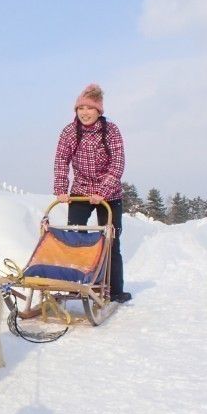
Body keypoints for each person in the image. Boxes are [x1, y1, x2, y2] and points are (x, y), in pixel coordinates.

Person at [53, 83, 132, 303]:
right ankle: (75, 284)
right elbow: (61, 160)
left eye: (89, 109)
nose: (85, 113)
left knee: (110, 240)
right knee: (75, 237)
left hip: (109, 194)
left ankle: (115, 290)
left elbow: (117, 163)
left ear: (99, 111)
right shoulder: (69, 132)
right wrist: (61, 189)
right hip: (80, 192)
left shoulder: (111, 131)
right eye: (81, 109)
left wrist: (102, 191)